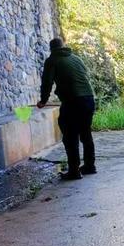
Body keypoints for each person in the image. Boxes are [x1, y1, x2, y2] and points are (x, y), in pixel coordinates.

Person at [37, 37, 97, 180]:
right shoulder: (76, 58)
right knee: (85, 133)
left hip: (73, 101)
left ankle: (74, 171)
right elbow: (84, 76)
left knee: (70, 136)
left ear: (51, 49)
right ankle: (89, 166)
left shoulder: (52, 60)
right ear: (64, 46)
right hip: (89, 98)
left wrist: (43, 101)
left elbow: (47, 82)